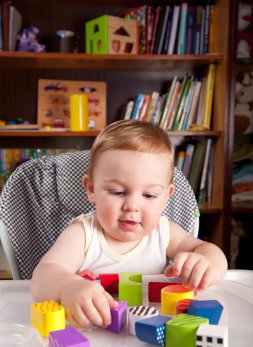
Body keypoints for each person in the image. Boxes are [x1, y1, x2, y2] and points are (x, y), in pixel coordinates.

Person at [31, 120, 227, 328]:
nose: (132, 206)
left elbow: (207, 250)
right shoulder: (83, 234)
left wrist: (208, 264)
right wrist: (68, 288)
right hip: (95, 333)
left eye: (149, 195)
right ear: (91, 189)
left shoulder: (163, 231)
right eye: (118, 192)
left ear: (166, 197)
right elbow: (43, 275)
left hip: (153, 330)